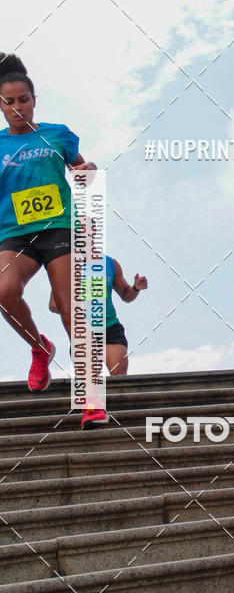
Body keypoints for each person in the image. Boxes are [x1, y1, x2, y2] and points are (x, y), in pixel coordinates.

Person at [0, 53, 104, 428]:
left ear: (34, 99)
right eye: (8, 102)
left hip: (59, 226)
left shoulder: (57, 133)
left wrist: (86, 171)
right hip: (14, 232)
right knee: (4, 291)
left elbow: (80, 168)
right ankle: (39, 348)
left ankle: (92, 394)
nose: (16, 108)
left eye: (22, 100)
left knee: (69, 305)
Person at [50, 250, 147, 382]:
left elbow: (126, 295)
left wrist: (135, 288)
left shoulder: (110, 263)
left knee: (119, 376)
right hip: (82, 332)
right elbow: (53, 305)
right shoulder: (64, 265)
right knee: (89, 381)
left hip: (110, 327)